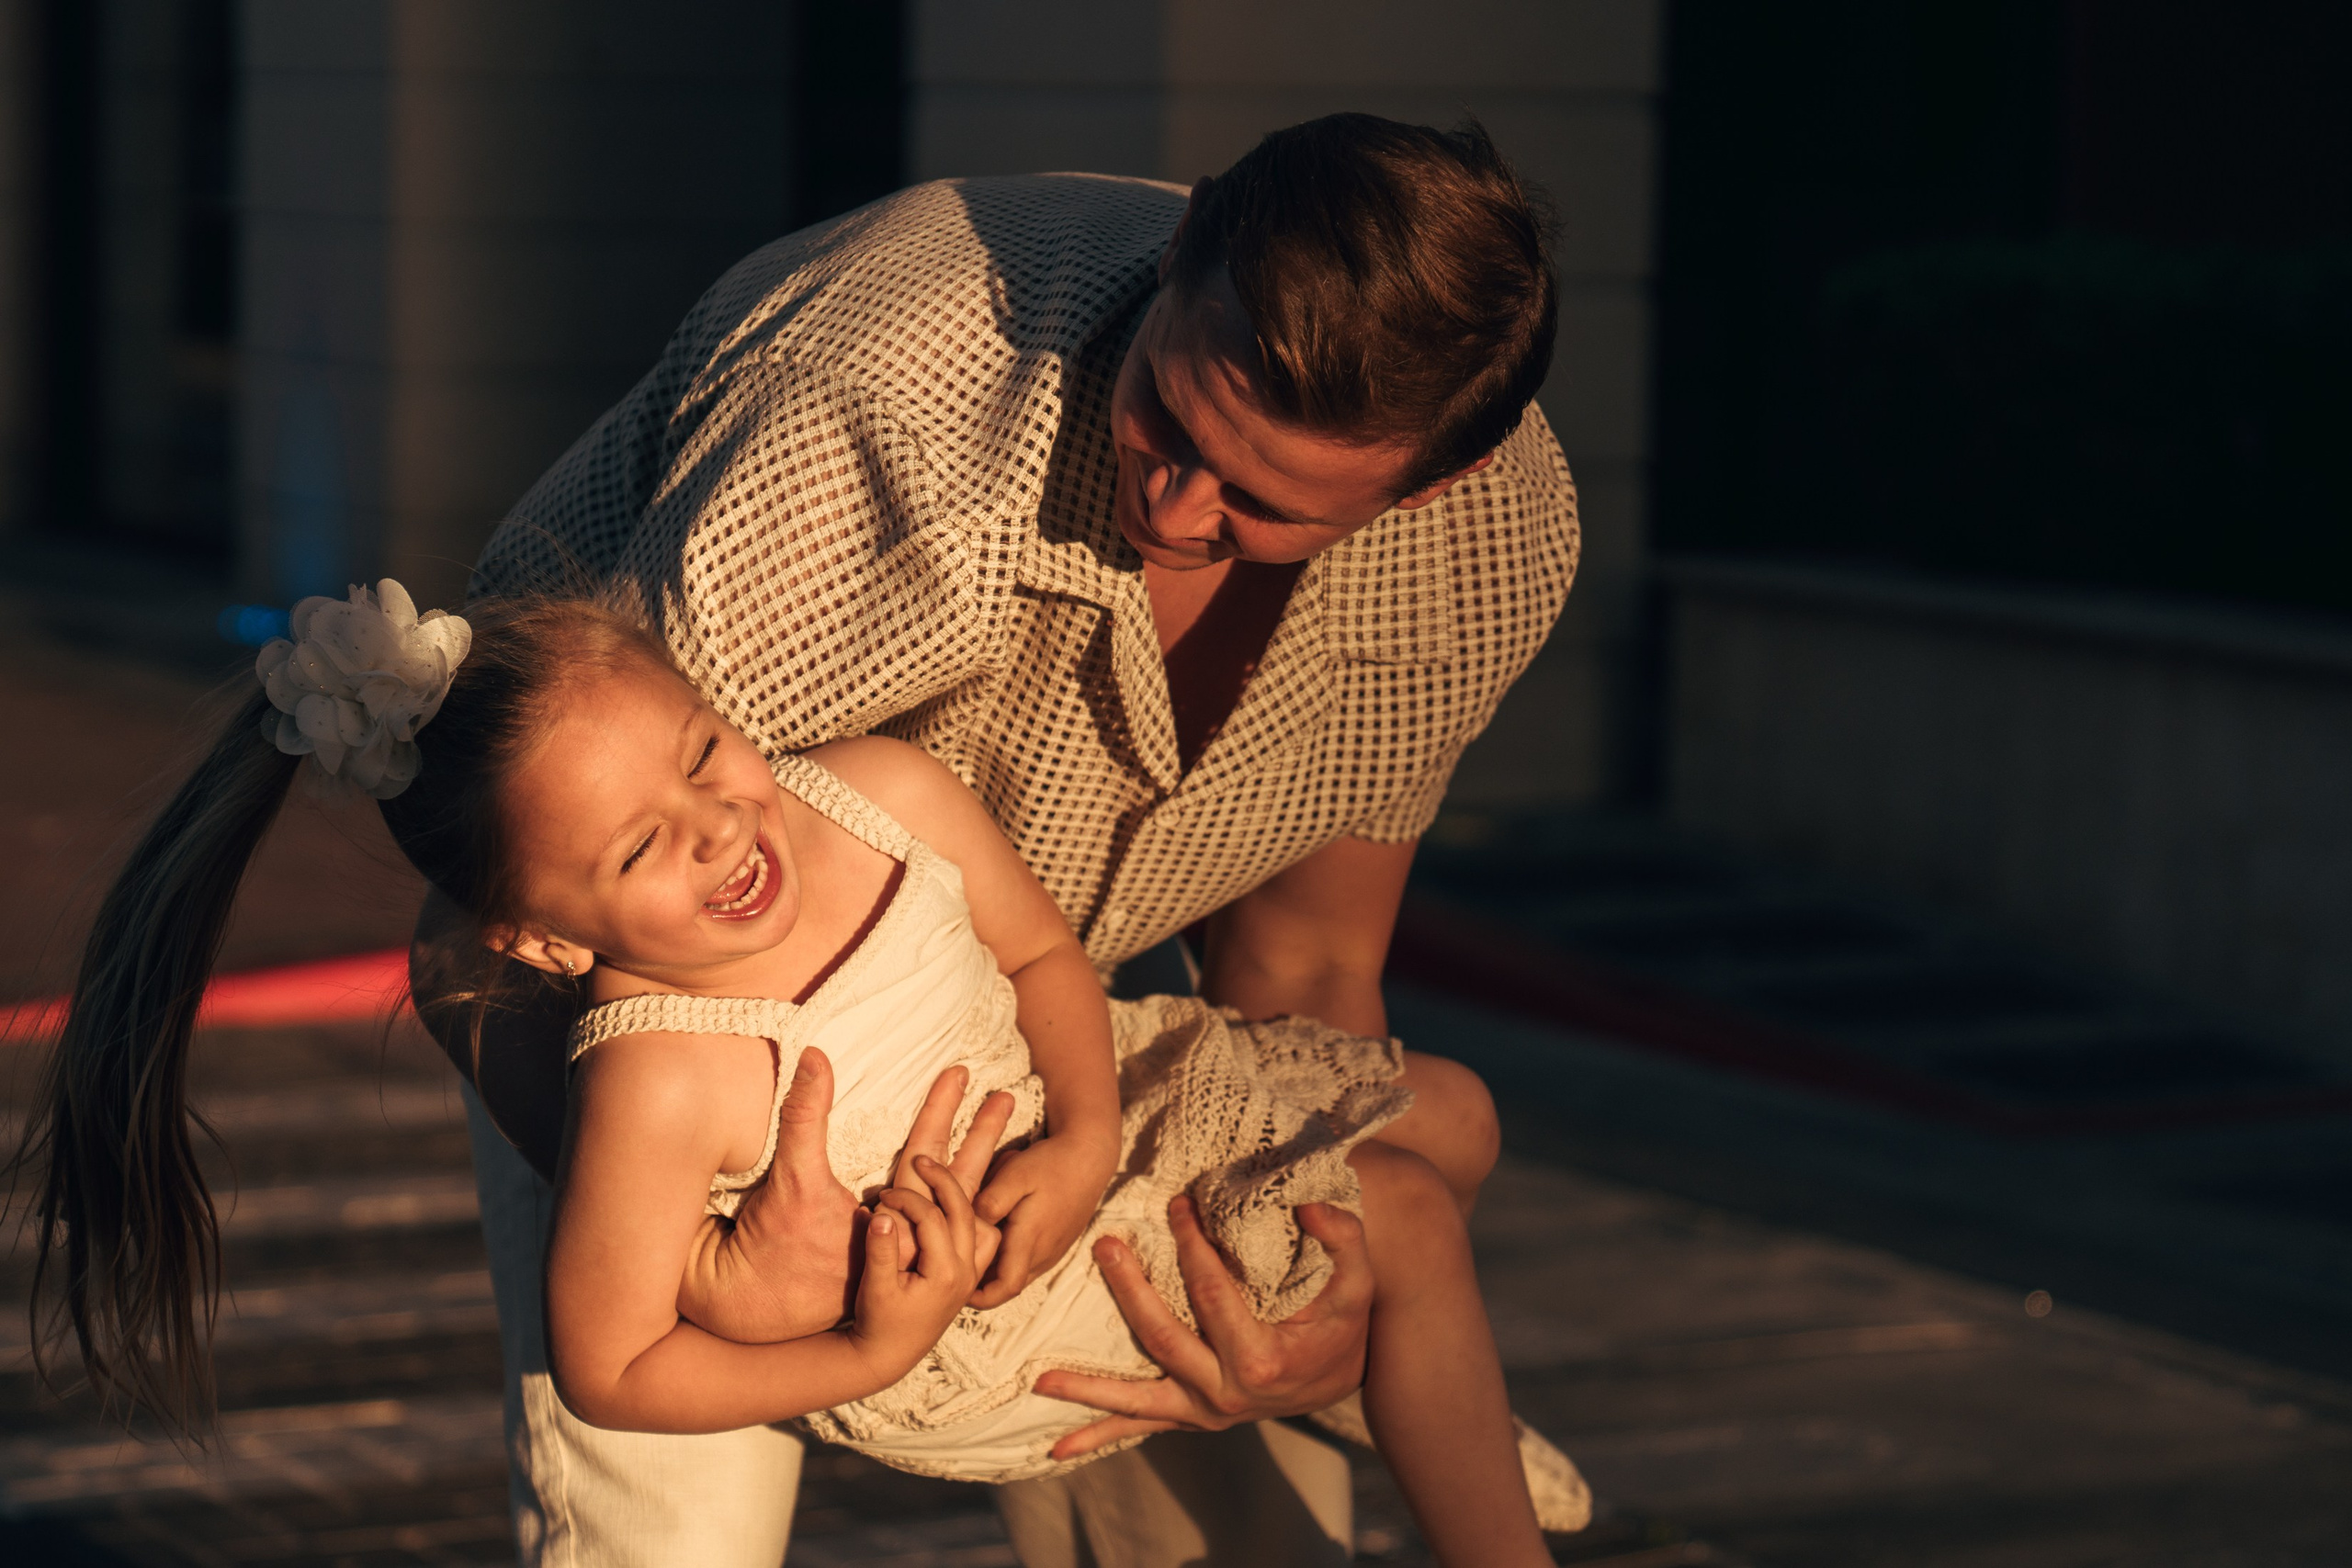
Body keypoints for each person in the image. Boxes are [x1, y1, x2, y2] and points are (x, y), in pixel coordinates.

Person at [437, 112, 1581, 1565]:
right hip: (687, 1057)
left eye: (1260, 505)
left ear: (1426, 490)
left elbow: (1301, 966)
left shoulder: (1487, 549)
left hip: (1057, 1036)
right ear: (1182, 252)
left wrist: (1324, 1314)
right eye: (1168, 416)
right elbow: (564, 907)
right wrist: (741, 1278)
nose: (1174, 503)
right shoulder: (870, 418)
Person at [24, 582, 1579, 1566]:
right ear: (551, 946)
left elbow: (1045, 959)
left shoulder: (881, 794)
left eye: (705, 755)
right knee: (1409, 1223)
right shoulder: (668, 1073)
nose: (721, 831)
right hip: (965, 1303)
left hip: (1098, 1109)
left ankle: (1416, 1398)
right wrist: (861, 1347)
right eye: (643, 848)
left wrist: (1092, 1125)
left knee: (1457, 1113)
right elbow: (613, 1360)